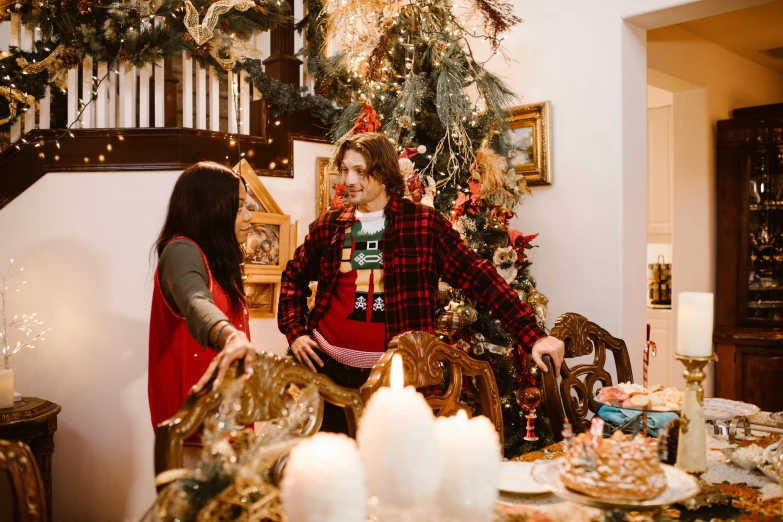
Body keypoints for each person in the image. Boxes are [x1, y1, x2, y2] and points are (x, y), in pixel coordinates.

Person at [277, 132, 565, 433]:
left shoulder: (424, 225)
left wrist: (533, 335)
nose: (349, 180)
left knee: (394, 473)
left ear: (385, 173)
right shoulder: (330, 224)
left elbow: (482, 278)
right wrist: (296, 332)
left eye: (360, 172)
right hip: (327, 376)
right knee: (333, 472)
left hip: (400, 379)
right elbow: (293, 278)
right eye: (346, 170)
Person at [148, 161, 259, 430]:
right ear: (211, 210)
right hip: (193, 428)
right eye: (238, 206)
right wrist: (230, 335)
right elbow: (196, 301)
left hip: (227, 421)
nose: (248, 216)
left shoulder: (218, 261)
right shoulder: (180, 251)